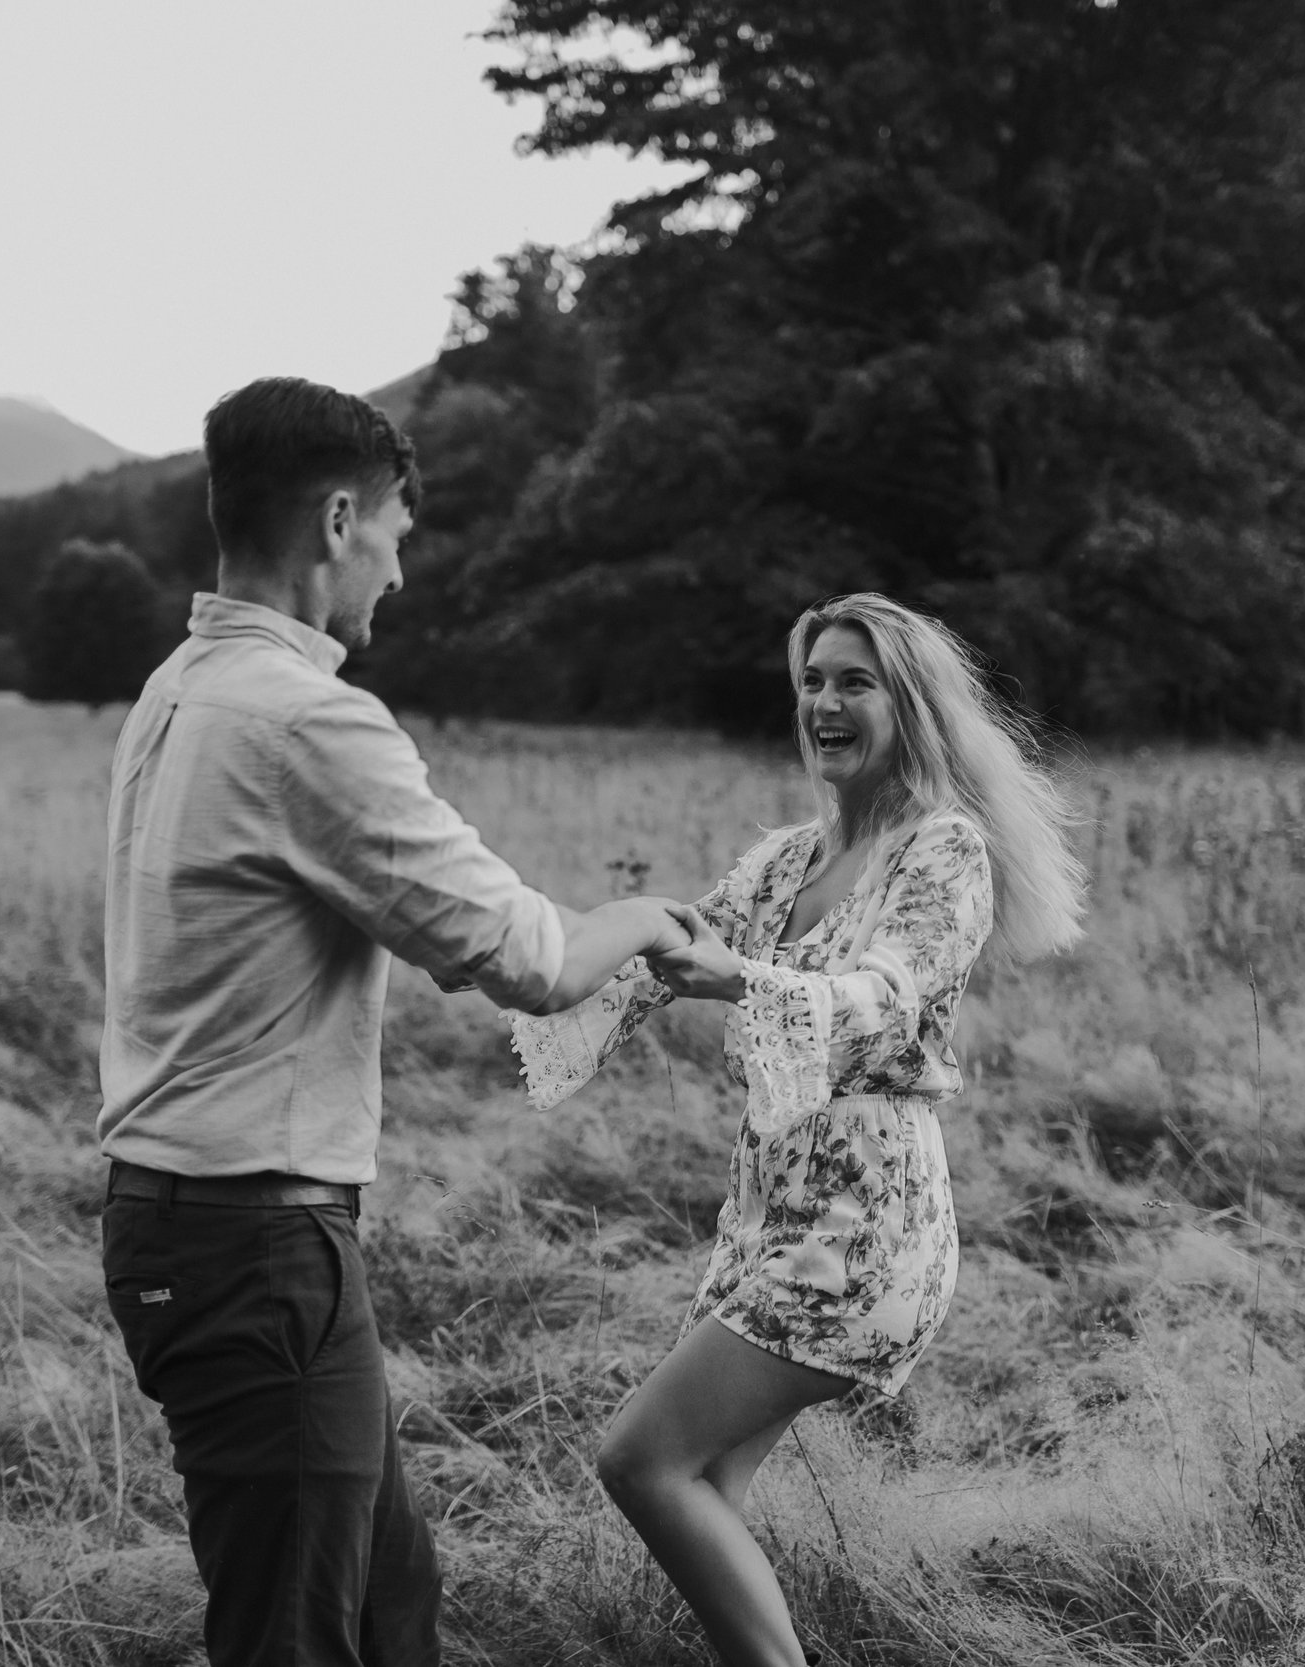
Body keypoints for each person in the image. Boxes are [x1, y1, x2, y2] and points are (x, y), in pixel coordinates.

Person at [95, 377, 692, 1667]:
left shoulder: (177, 689)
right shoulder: (306, 718)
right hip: (253, 1237)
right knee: (299, 1633)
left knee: (384, 1600)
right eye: (397, 541)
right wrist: (645, 917)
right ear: (336, 521)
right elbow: (527, 956)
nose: (400, 576)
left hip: (219, 1226)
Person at [509, 593, 1088, 1667]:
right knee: (709, 1490)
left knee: (640, 1460)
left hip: (865, 1232)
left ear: (906, 704)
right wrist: (525, 950)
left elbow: (885, 993)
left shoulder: (943, 852)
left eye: (854, 681)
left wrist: (742, 978)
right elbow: (672, 945)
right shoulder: (782, 861)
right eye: (814, 679)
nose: (825, 700)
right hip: (769, 1218)